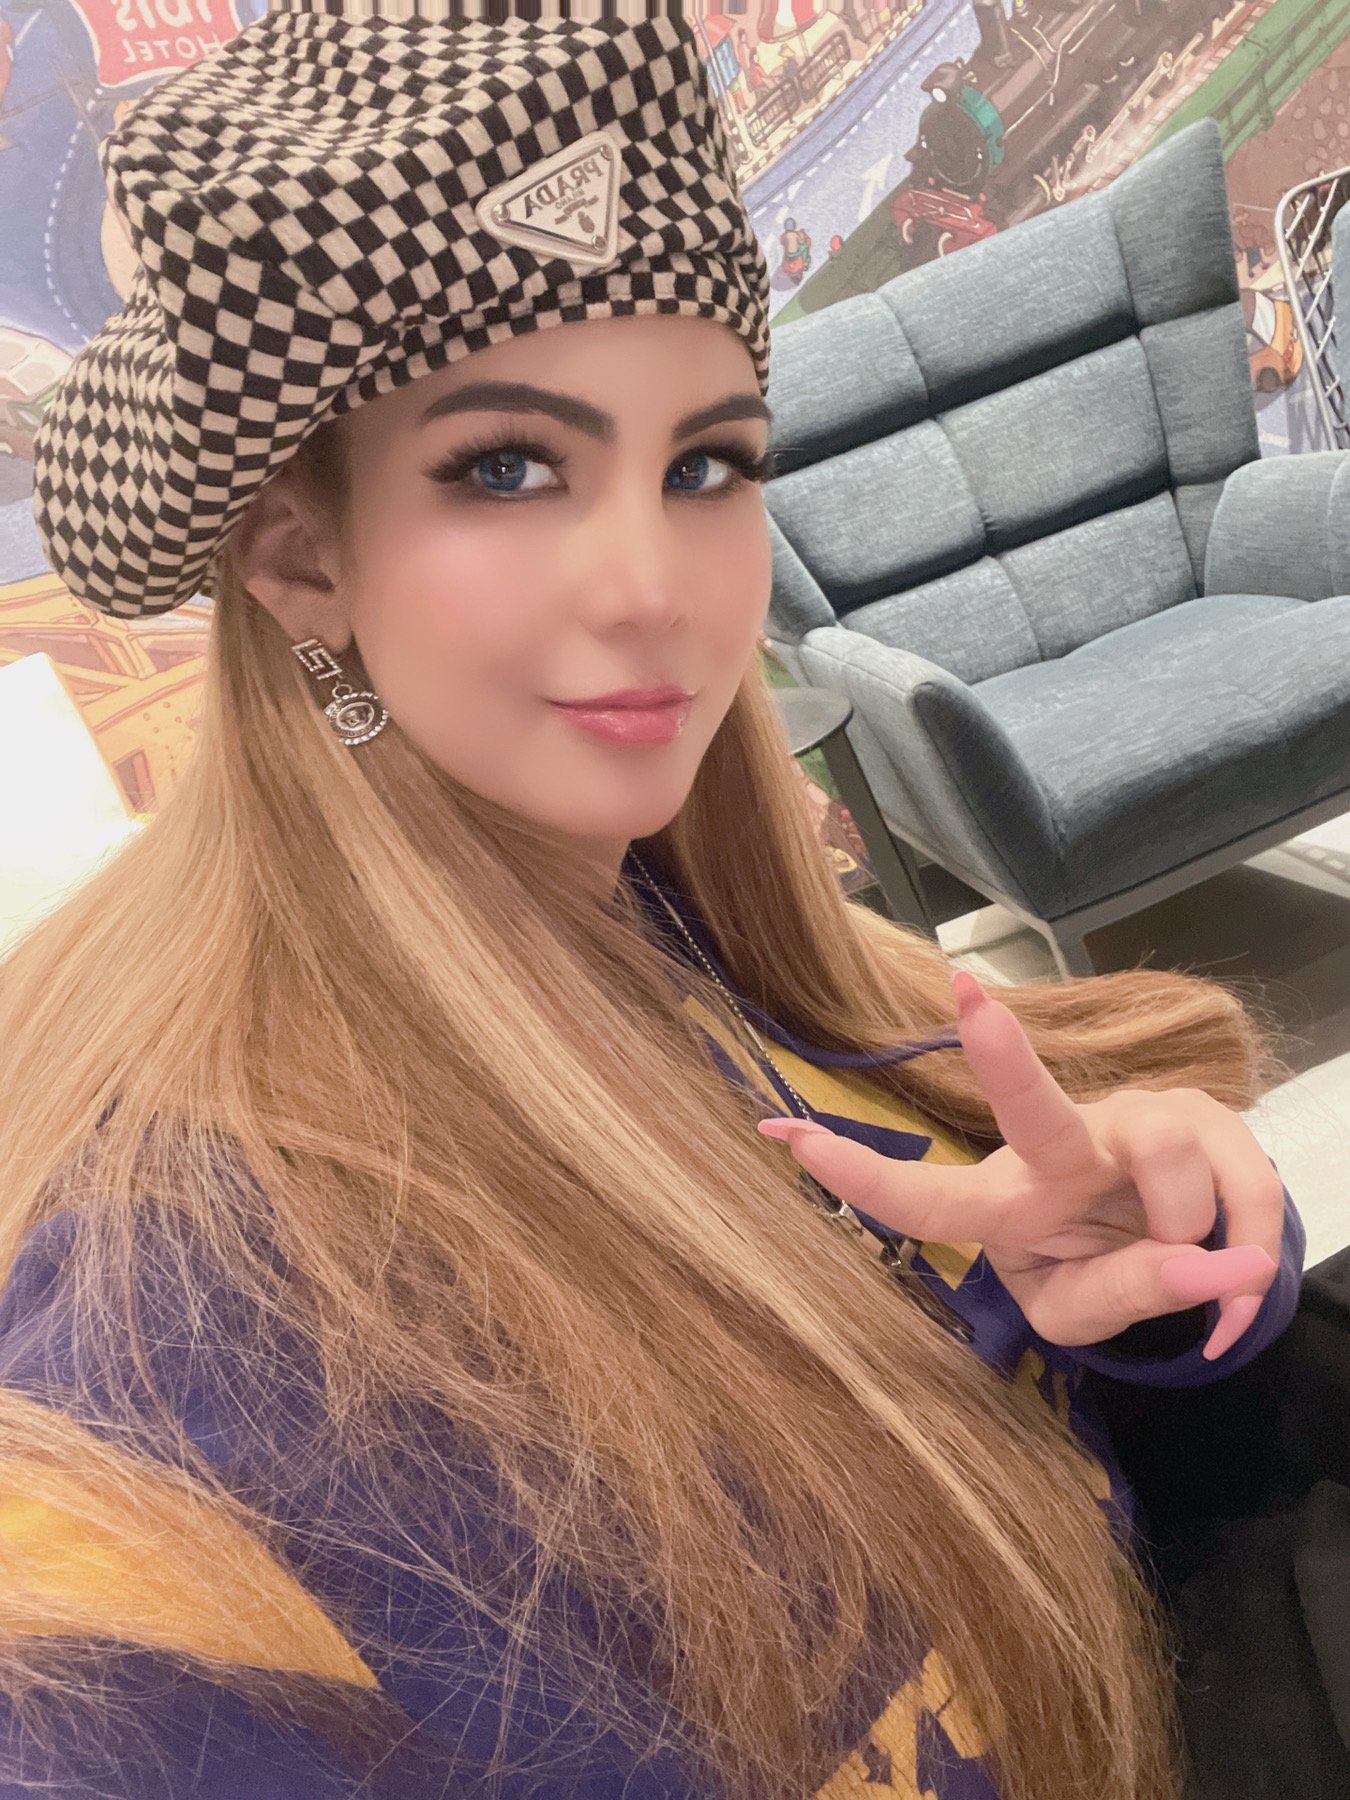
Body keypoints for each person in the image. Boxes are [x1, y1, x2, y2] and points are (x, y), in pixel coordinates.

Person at [0, 2, 1304, 1796]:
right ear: (302, 557)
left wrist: (1110, 1300)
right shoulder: (175, 1349)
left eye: (703, 464)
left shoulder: (683, 924)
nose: (651, 588)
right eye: (506, 467)